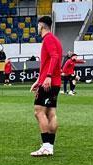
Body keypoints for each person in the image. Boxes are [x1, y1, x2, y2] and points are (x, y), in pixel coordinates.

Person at [29, 15, 63, 157]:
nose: (37, 28)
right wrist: (39, 79)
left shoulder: (48, 39)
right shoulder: (55, 40)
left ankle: (46, 146)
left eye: (38, 26)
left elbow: (54, 57)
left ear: (41, 26)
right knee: (51, 113)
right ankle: (50, 146)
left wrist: (47, 76)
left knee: (39, 111)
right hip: (54, 82)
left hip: (49, 81)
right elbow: (51, 60)